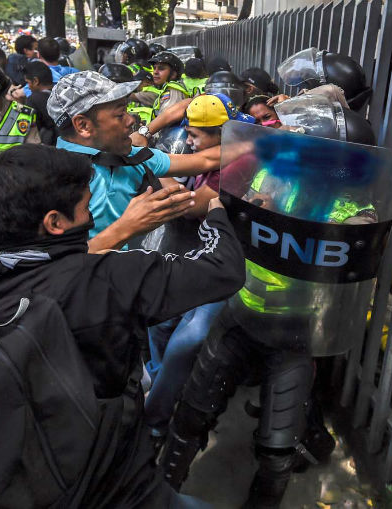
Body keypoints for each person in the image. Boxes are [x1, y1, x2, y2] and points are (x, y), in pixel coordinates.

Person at [0, 143, 244, 507]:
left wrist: (118, 232)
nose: (91, 216)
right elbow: (223, 269)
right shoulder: (107, 278)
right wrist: (216, 209)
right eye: (86, 207)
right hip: (105, 481)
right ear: (55, 222)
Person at [159, 100, 379, 508]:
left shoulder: (352, 208)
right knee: (191, 416)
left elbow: (358, 247)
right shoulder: (273, 177)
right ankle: (159, 492)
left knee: (278, 447)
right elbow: (246, 211)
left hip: (293, 329)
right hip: (242, 312)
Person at [145, 94, 255, 443]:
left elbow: (192, 206)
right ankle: (160, 381)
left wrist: (154, 173)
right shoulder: (205, 158)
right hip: (189, 257)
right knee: (160, 324)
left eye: (195, 134)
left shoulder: (238, 164)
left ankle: (156, 421)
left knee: (187, 340)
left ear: (222, 133)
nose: (188, 139)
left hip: (220, 265)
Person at [48, 71, 226, 251]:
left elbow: (204, 161)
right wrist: (126, 228)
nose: (130, 120)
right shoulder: (51, 182)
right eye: (120, 114)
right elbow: (60, 266)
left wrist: (251, 145)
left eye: (126, 110)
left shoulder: (129, 155)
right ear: (83, 126)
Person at [23, 61, 56, 144]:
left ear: (35, 81)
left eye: (28, 82)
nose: (28, 87)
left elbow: (29, 132)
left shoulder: (33, 100)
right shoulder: (62, 92)